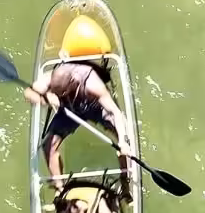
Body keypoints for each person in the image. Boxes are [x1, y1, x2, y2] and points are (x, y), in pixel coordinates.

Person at [23, 60, 134, 203]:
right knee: (48, 145)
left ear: (74, 83)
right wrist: (44, 98)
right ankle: (60, 189)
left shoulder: (93, 85)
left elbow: (115, 112)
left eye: (63, 92)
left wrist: (123, 141)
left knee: (124, 137)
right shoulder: (52, 78)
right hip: (69, 111)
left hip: (96, 108)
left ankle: (126, 185)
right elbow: (28, 93)